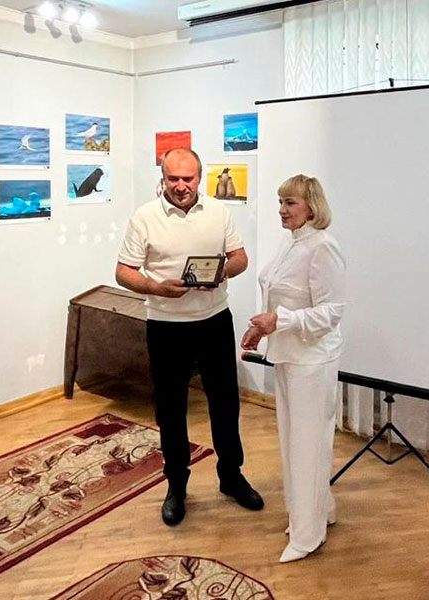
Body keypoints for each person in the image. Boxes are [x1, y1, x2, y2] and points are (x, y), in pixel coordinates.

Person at [115, 148, 264, 527]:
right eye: (173, 179)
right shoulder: (144, 217)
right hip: (165, 326)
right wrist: (156, 288)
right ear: (162, 179)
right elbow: (123, 272)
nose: (181, 186)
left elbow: (240, 257)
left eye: (188, 178)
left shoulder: (218, 212)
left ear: (200, 177)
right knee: (170, 409)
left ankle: (231, 476)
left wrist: (222, 272)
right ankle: (176, 486)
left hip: (214, 321)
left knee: (225, 405)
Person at [241, 174, 346, 563]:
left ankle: (307, 535)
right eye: (280, 202)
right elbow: (279, 294)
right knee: (297, 444)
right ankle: (320, 511)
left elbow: (332, 312)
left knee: (307, 448)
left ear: (312, 207)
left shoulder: (322, 247)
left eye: (290, 203)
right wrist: (262, 327)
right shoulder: (292, 242)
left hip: (312, 362)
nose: (282, 210)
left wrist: (279, 321)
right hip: (289, 355)